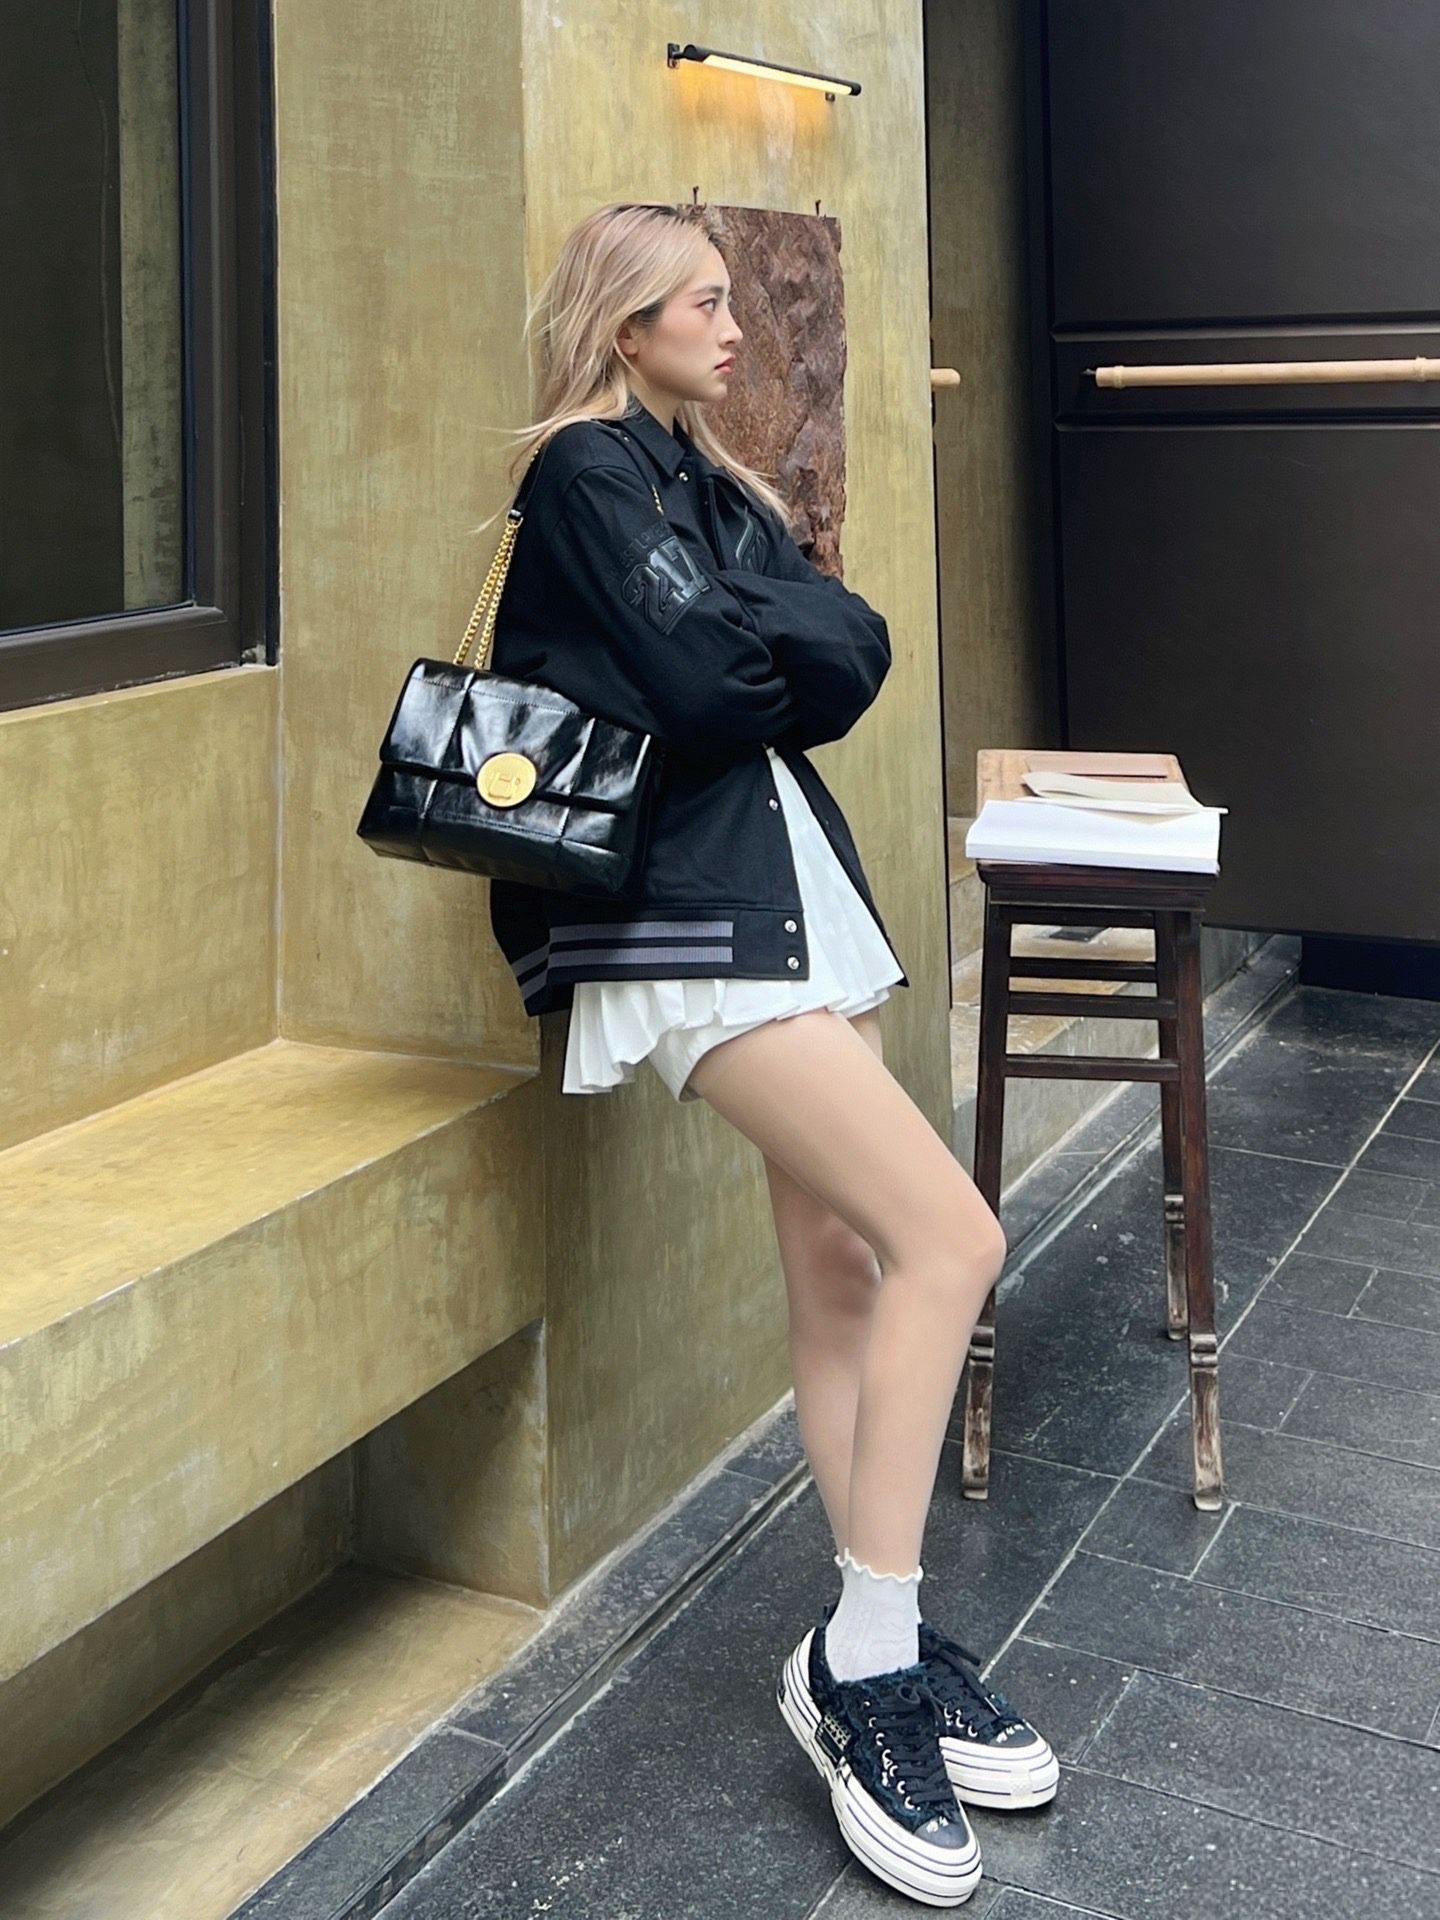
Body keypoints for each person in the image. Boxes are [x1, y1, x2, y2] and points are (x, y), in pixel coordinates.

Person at [480, 201, 1057, 1907]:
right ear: (624, 325)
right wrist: (765, 639)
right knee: (952, 1236)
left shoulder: (705, 480)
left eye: (734, 298)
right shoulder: (584, 473)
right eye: (701, 303)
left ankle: (879, 1622)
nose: (734, 329)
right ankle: (863, 1661)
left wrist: (763, 634)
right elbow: (716, 680)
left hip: (791, 892)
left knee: (843, 1272)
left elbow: (846, 650)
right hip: (685, 919)